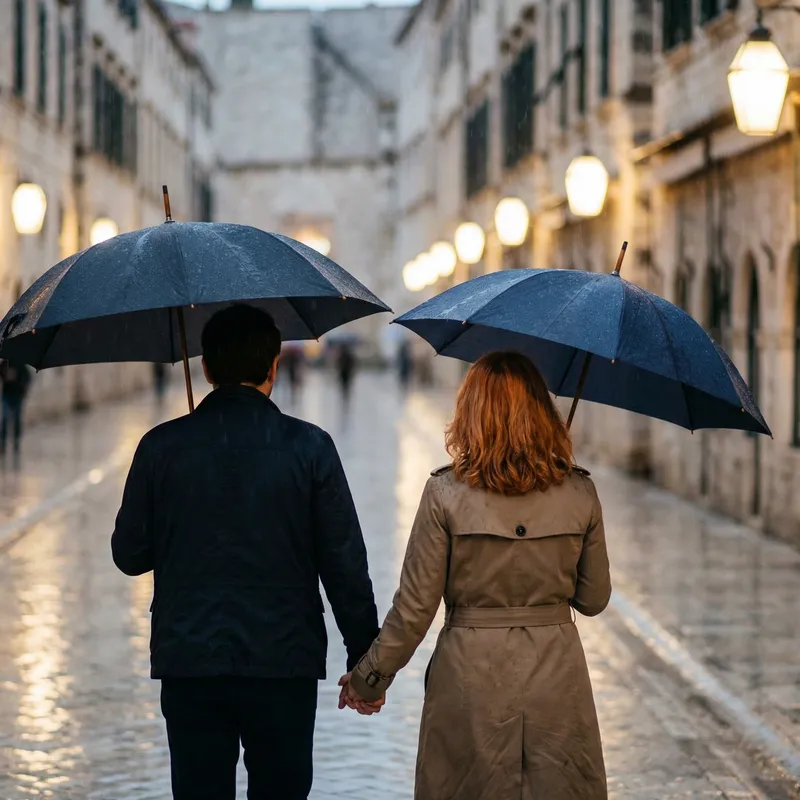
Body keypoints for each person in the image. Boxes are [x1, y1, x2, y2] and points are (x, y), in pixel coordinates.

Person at [111, 304, 381, 800]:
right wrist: (367, 662)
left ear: (207, 369)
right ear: (274, 366)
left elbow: (129, 553)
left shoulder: (160, 447)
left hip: (190, 659)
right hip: (284, 662)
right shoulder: (312, 448)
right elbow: (343, 563)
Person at [338, 351, 612, 800]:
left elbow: (414, 610)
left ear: (471, 412)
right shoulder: (580, 491)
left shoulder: (444, 493)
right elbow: (595, 598)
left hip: (468, 679)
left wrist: (369, 678)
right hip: (558, 678)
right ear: (542, 413)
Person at [0, 358, 32, 456]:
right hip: (7, 395)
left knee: (17, 419)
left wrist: (21, 387)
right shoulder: (4, 364)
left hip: (17, 395)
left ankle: (16, 442)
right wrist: (6, 374)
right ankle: (3, 443)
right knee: (5, 418)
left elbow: (27, 377)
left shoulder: (21, 364)